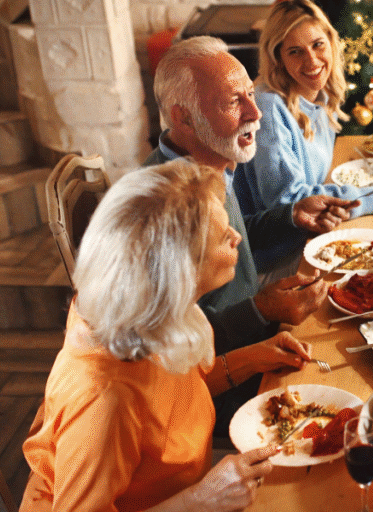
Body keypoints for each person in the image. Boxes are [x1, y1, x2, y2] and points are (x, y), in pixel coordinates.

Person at [22, 160, 310, 511]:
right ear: (178, 273)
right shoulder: (105, 398)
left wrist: (254, 357)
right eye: (223, 237)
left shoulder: (145, 312)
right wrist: (200, 500)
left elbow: (174, 398)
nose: (237, 236)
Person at [147, 36, 356, 430]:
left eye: (250, 94)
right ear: (183, 118)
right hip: (220, 393)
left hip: (258, 337)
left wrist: (291, 215)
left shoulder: (211, 164)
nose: (256, 113)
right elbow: (173, 353)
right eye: (233, 102)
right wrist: (260, 310)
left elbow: (230, 245)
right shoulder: (163, 210)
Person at [234, 0, 373, 266]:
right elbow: (290, 203)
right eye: (295, 51)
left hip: (314, 236)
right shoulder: (269, 105)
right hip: (279, 259)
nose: (311, 60)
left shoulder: (320, 94)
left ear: (331, 42)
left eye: (317, 45)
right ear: (278, 58)